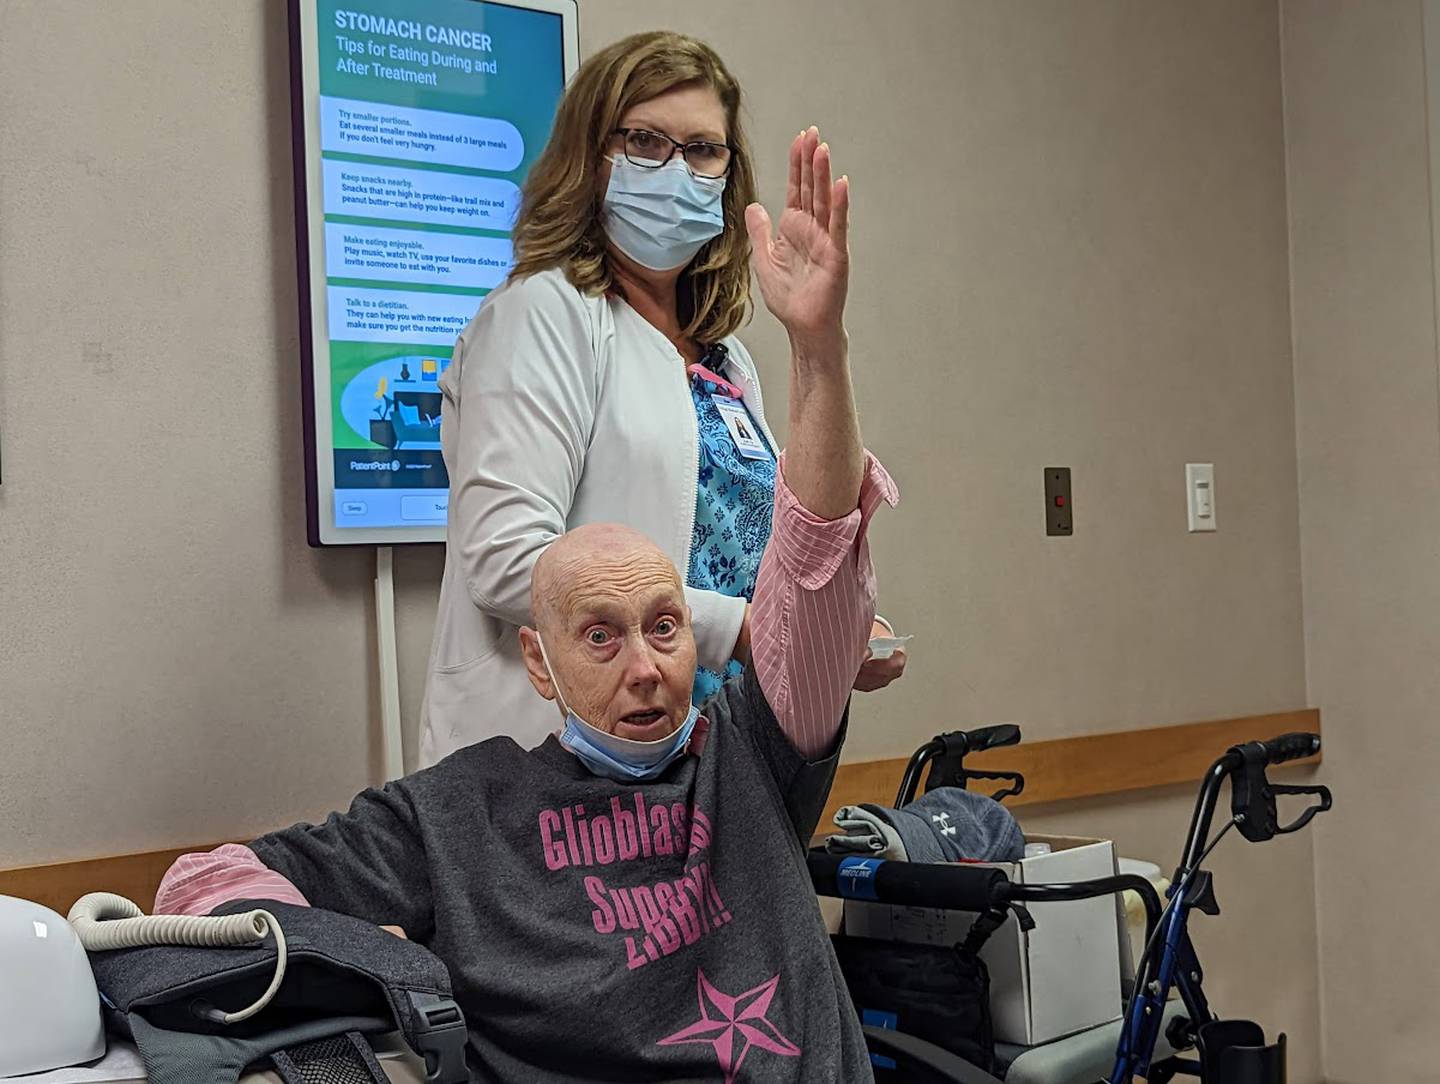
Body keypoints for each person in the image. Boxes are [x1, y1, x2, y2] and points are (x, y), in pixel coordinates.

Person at [156, 126, 894, 1081]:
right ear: (538, 661)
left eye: (665, 627)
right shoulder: (461, 815)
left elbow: (813, 570)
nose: (645, 667)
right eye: (600, 635)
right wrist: (371, 968)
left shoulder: (751, 756)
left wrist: (819, 350)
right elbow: (203, 883)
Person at [418, 30, 904, 765]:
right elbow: (507, 558)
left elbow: (760, 550)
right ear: (592, 156)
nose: (677, 169)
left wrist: (821, 632)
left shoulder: (725, 358)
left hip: (716, 770)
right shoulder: (542, 314)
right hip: (558, 773)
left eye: (703, 150)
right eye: (646, 142)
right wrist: (737, 626)